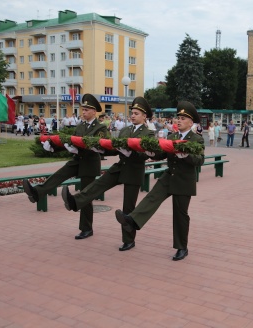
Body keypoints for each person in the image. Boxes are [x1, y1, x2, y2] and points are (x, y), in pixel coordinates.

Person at [115, 101, 205, 261]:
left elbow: (199, 160)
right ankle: (132, 219)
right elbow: (162, 154)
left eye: (183, 118)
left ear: (191, 122)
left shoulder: (196, 139)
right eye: (178, 117)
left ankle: (181, 247)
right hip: (168, 176)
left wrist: (187, 156)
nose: (179, 120)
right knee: (152, 197)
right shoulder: (172, 136)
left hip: (184, 181)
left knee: (180, 215)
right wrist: (151, 152)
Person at [62, 97, 154, 251]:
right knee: (98, 185)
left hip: (134, 170)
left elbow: (146, 155)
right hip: (120, 166)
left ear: (144, 116)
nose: (132, 115)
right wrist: (102, 149)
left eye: (136, 113)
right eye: (132, 113)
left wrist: (131, 152)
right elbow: (114, 148)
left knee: (128, 208)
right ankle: (75, 202)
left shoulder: (149, 134)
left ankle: (128, 240)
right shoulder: (125, 130)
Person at [22, 94, 109, 240]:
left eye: (87, 109)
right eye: (83, 109)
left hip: (89, 163)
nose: (84, 112)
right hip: (77, 160)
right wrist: (53, 148)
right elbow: (70, 142)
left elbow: (99, 144)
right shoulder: (80, 126)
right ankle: (37, 193)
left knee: (85, 196)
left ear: (94, 112)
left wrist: (78, 148)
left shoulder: (100, 127)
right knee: (59, 174)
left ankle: (86, 228)